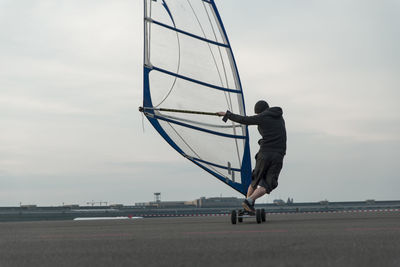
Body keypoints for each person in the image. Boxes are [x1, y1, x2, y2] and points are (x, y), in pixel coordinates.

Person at [217, 100, 287, 212]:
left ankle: (248, 203)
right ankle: (249, 204)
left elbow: (245, 120)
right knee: (268, 185)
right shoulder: (279, 116)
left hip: (264, 154)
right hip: (278, 154)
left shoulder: (263, 116)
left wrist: (227, 115)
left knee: (255, 181)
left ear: (259, 112)